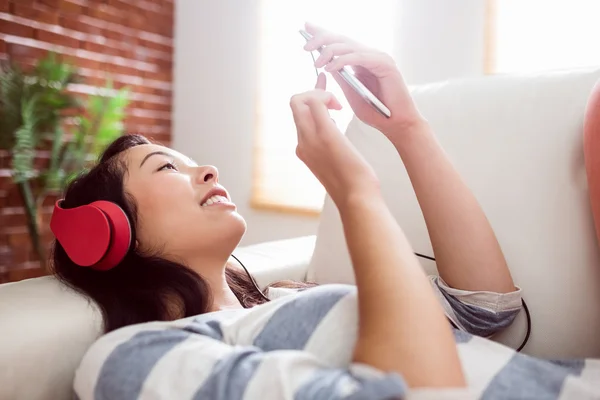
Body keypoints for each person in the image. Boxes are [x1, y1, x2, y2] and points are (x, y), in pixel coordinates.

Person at [54, 24, 599, 399]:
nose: (209, 171)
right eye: (166, 168)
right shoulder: (135, 356)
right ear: (106, 232)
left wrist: (405, 128)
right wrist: (355, 190)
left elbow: (488, 311)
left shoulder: (293, 297)